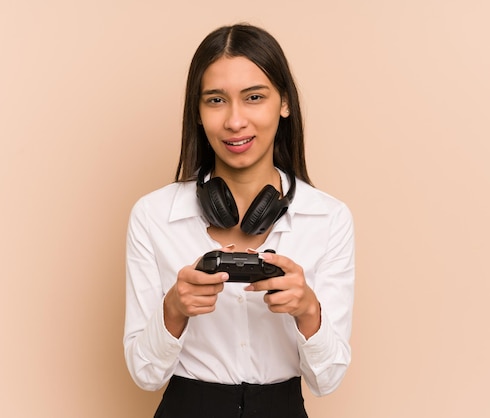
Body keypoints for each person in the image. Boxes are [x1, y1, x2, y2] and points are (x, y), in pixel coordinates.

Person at [123, 23, 355, 418]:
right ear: (197, 112)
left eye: (254, 97)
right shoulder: (153, 215)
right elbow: (145, 375)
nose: (234, 121)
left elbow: (326, 381)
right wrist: (174, 310)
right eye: (215, 100)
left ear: (284, 103)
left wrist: (308, 312)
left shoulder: (329, 218)